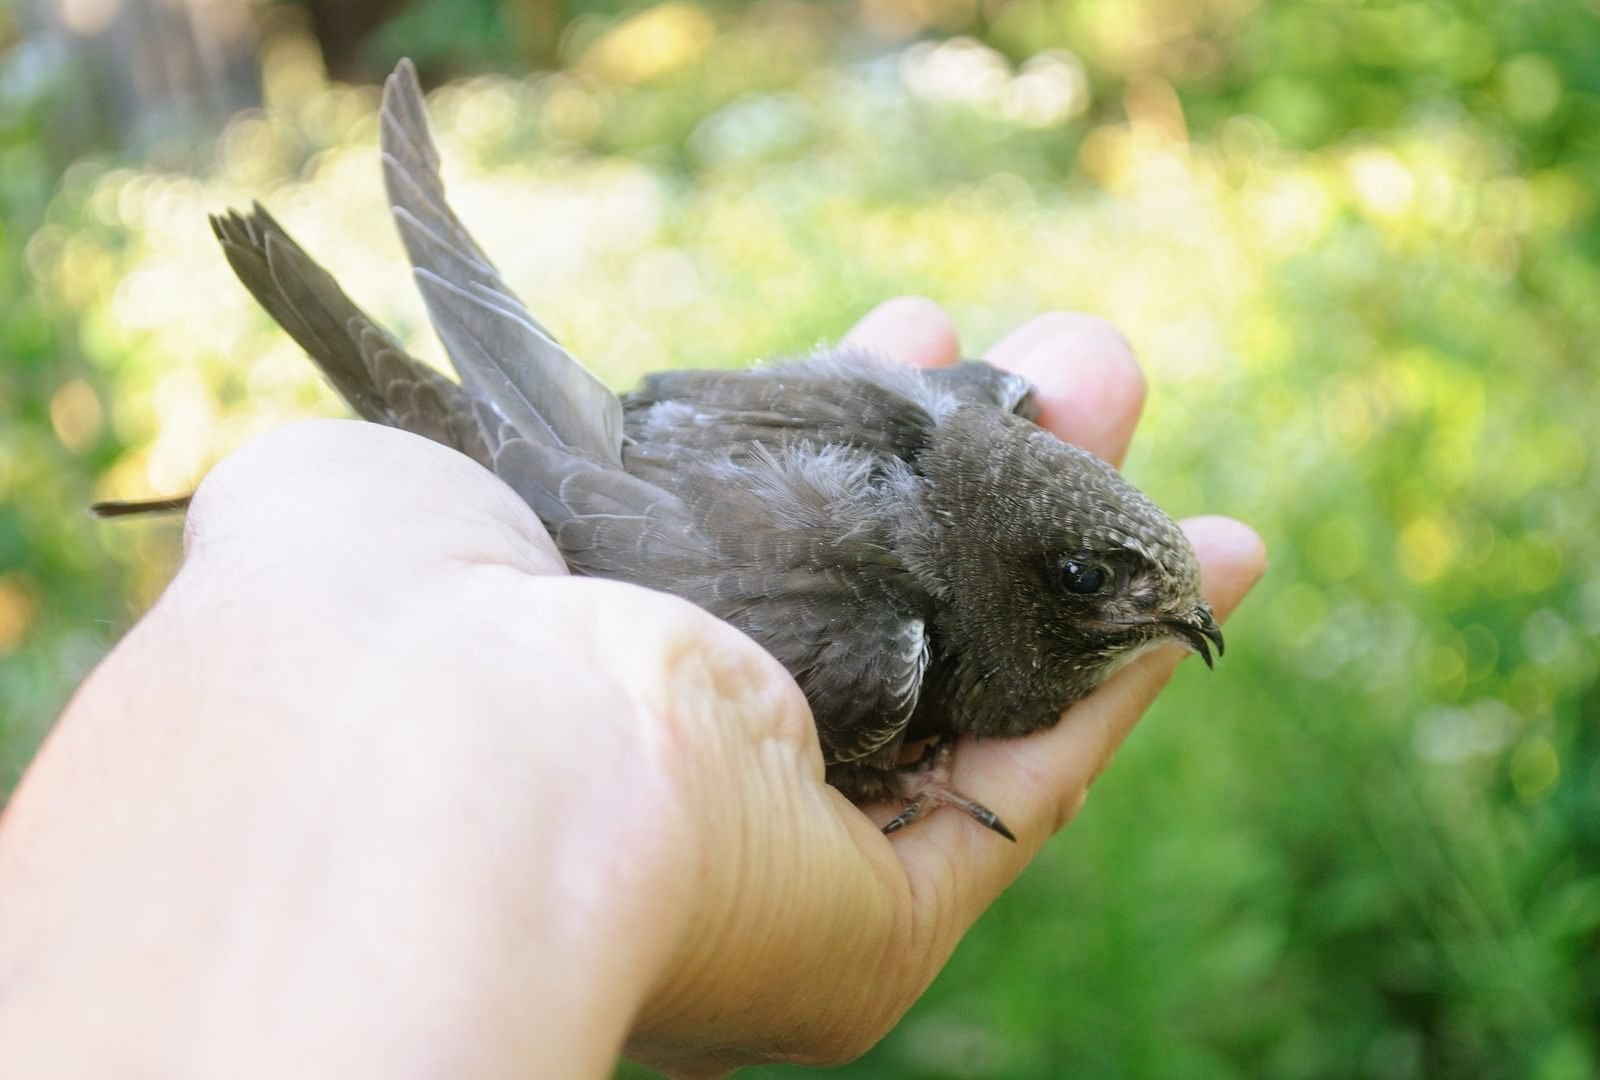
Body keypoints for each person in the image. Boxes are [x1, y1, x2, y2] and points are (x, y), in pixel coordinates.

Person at [0, 300, 1264, 1077]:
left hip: (639, 451)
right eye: (1096, 579)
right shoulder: (880, 644)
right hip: (606, 488)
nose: (1164, 621)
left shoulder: (985, 413)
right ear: (1024, 566)